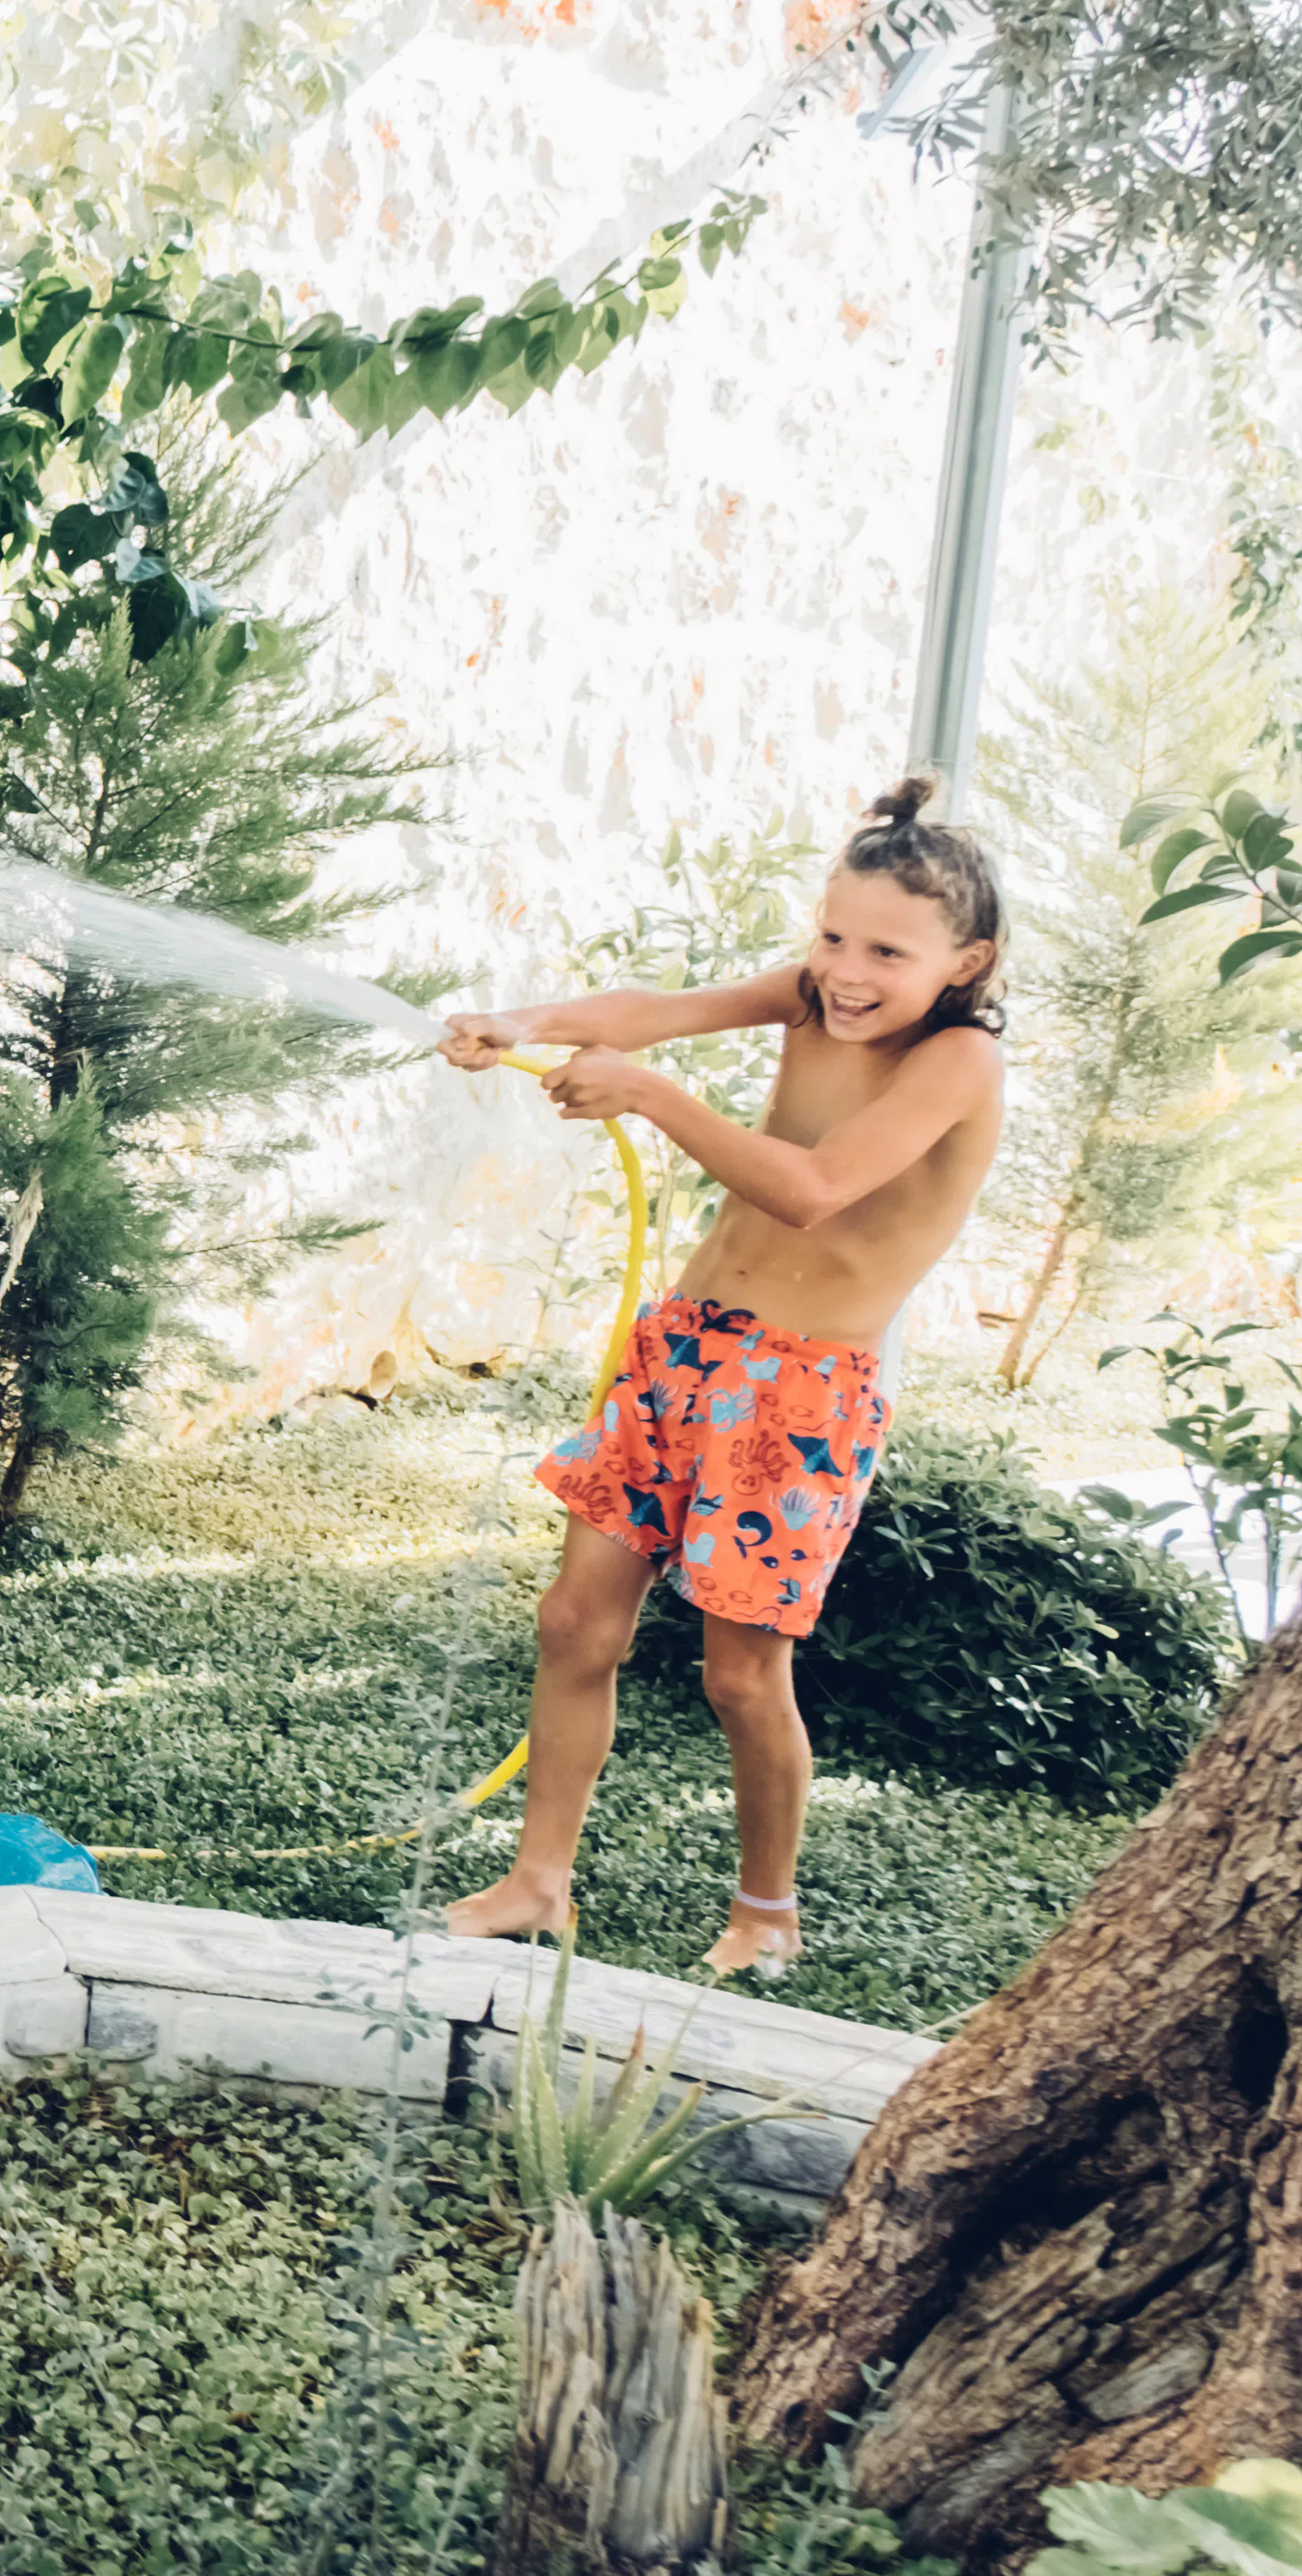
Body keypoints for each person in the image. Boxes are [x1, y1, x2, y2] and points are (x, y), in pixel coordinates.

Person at [430, 776, 1009, 1981]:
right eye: (833, 936)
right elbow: (659, 1009)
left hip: (799, 1395)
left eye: (887, 952)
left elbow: (811, 1187)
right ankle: (538, 1881)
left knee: (740, 1672)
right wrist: (518, 1019)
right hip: (684, 1348)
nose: (846, 971)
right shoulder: (809, 996)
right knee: (576, 1619)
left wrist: (644, 1093)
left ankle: (767, 1909)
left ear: (967, 960)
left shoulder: (957, 1063)